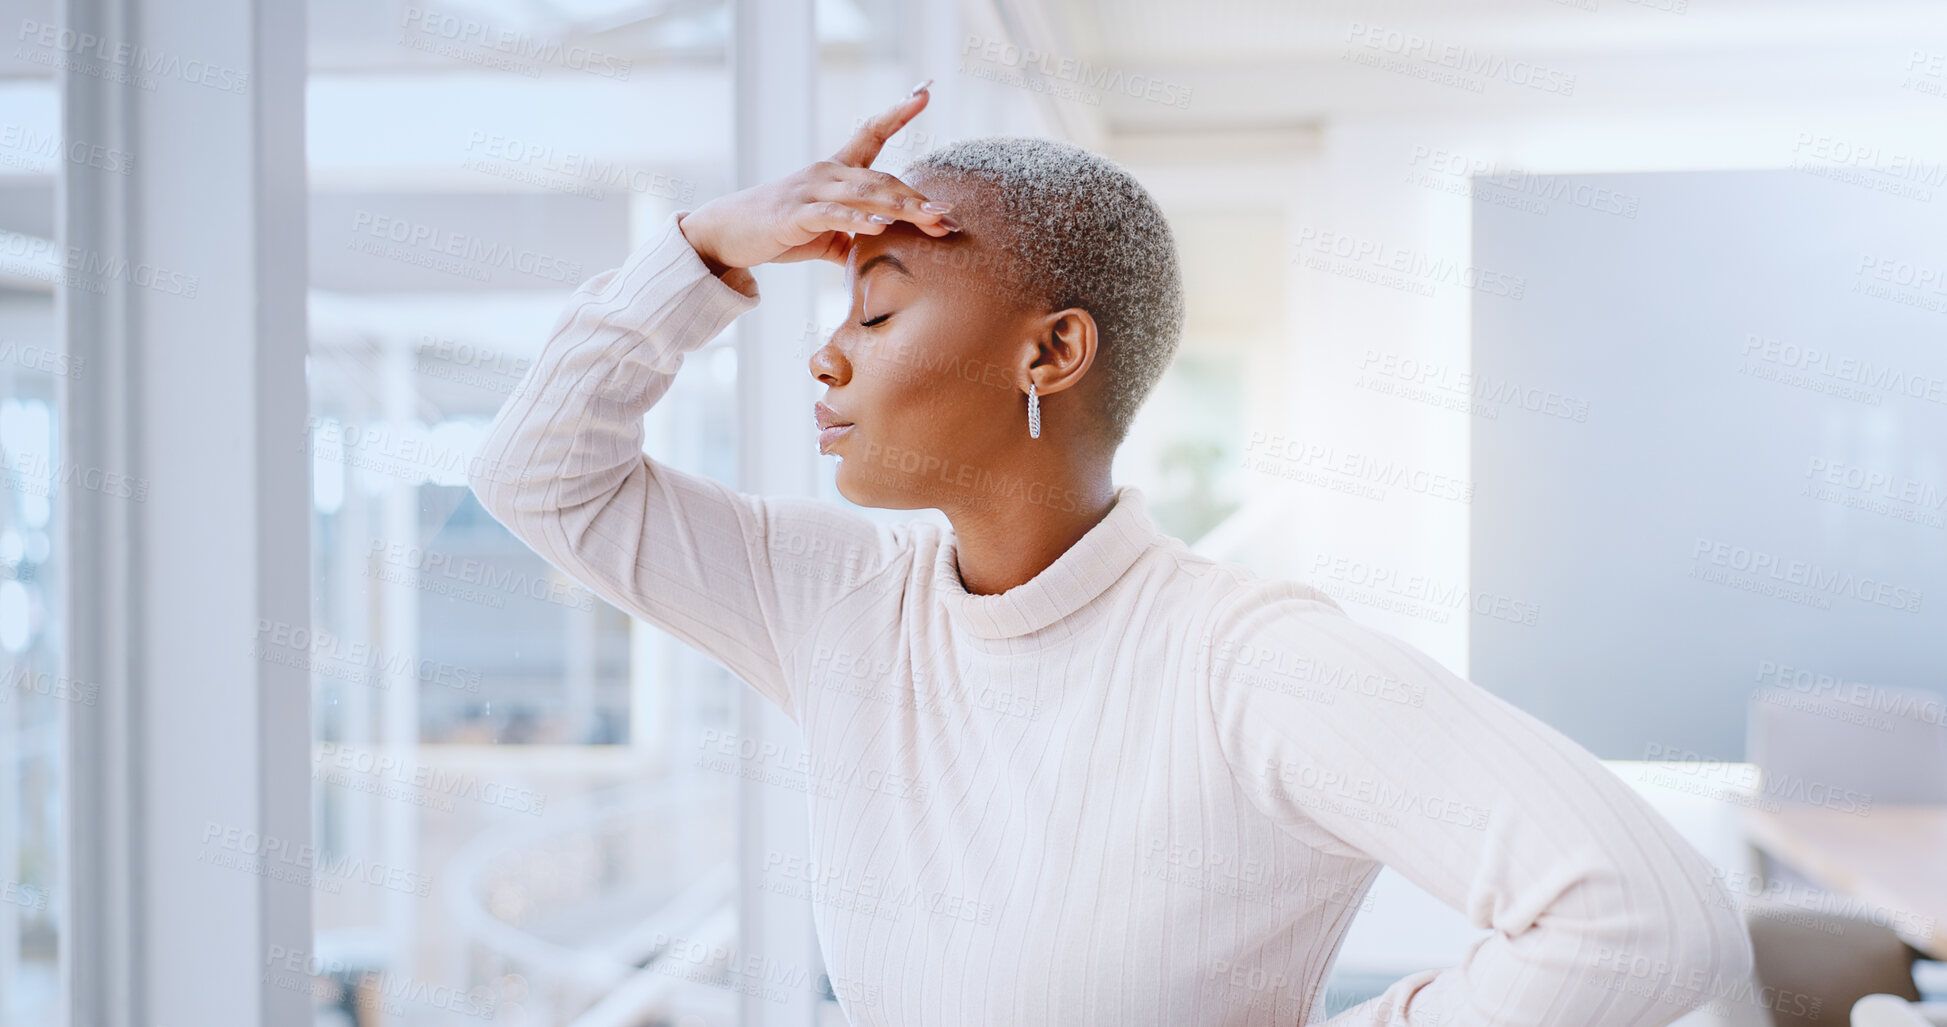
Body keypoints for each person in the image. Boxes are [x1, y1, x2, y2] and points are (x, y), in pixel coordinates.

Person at [468, 80, 1754, 1026]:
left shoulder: (1250, 663)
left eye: (877, 305)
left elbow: (1646, 916)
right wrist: (699, 250)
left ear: (1052, 353)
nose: (826, 351)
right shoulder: (840, 604)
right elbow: (539, 475)